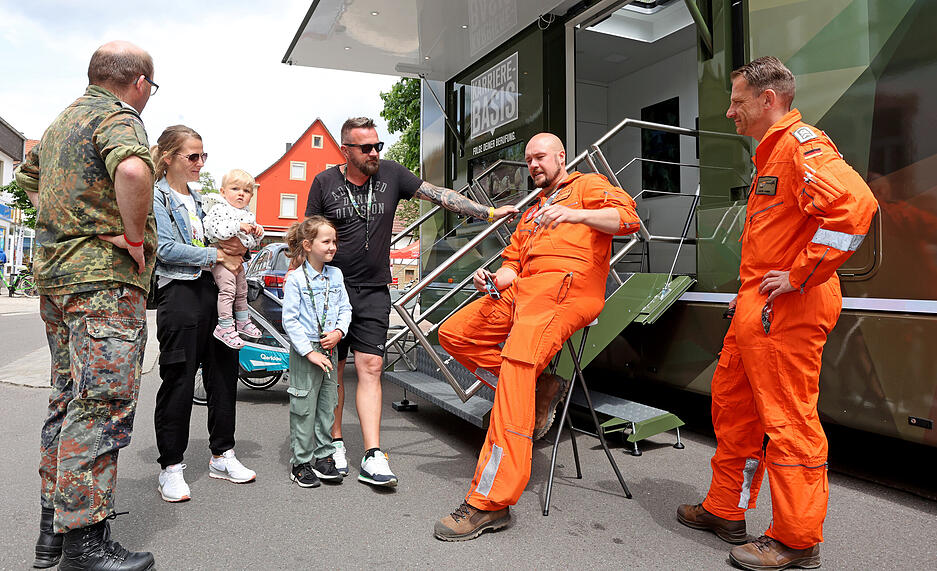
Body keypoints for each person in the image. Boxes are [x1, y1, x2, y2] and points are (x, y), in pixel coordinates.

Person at [675, 56, 878, 570]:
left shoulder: (800, 147)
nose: (729, 112)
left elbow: (856, 206)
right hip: (761, 306)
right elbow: (778, 236)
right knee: (734, 409)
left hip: (787, 309)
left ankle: (796, 539)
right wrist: (749, 292)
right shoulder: (773, 155)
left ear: (768, 100)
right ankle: (727, 509)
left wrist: (799, 275)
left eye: (737, 102)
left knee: (789, 421)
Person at [433, 132, 641, 541]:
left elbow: (628, 219)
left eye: (540, 157)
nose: (533, 166)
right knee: (453, 334)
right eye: (528, 160)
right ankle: (538, 385)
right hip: (521, 293)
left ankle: (491, 501)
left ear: (561, 156)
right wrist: (494, 279)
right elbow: (512, 264)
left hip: (567, 291)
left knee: (515, 367)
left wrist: (576, 215)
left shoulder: (587, 186)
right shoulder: (531, 212)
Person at [303, 116, 517, 486]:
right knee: (333, 370)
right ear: (345, 150)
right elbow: (306, 238)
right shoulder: (325, 183)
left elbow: (439, 195)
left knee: (371, 366)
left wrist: (488, 212)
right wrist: (303, 287)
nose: (374, 152)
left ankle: (372, 453)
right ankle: (334, 442)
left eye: (377, 145)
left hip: (374, 290)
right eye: (366, 148)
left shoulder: (391, 174)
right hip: (331, 291)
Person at [14, 40, 157, 570]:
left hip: (57, 278)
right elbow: (134, 172)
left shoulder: (60, 124)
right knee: (100, 404)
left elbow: (26, 178)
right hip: (102, 284)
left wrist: (66, 222)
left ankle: (51, 535)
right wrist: (134, 237)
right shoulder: (117, 116)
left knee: (68, 398)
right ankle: (85, 545)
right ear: (139, 83)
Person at [152, 125, 256, 504]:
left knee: (224, 374)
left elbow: (225, 238)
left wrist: (240, 246)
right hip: (180, 293)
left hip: (214, 291)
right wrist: (217, 255)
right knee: (179, 379)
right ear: (169, 158)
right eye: (193, 156)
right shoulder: (157, 197)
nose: (200, 162)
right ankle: (171, 467)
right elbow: (164, 248)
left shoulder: (202, 201)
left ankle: (222, 454)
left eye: (203, 155)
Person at [282, 216, 352, 488]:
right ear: (308, 245)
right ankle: (300, 463)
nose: (332, 246)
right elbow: (290, 320)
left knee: (327, 404)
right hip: (307, 350)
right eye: (326, 241)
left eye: (334, 241)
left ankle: (324, 457)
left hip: (329, 346)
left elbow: (345, 307)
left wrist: (339, 332)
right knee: (303, 407)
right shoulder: (296, 279)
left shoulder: (336, 274)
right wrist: (309, 353)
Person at [203, 169, 265, 349]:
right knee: (228, 290)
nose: (241, 194)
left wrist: (257, 233)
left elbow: (251, 243)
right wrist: (238, 226)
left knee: (242, 291)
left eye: (246, 191)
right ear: (223, 192)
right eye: (235, 189)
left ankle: (243, 321)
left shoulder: (247, 214)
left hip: (237, 260)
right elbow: (216, 230)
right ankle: (224, 326)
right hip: (221, 259)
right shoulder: (218, 209)